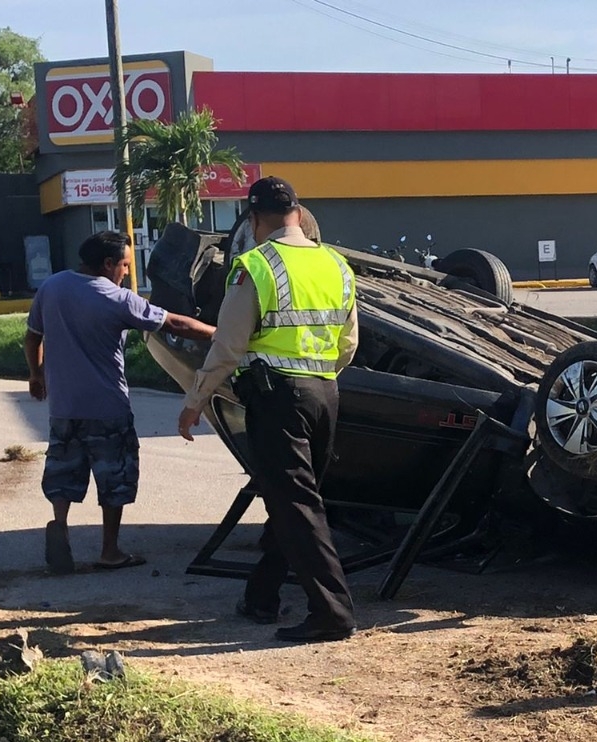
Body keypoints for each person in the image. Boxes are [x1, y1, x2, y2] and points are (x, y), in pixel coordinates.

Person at [177, 176, 359, 644]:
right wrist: (317, 372)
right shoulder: (337, 265)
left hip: (279, 398)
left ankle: (332, 613)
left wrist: (196, 400)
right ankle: (261, 595)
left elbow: (228, 344)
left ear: (255, 220)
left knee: (297, 505)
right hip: (325, 393)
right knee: (295, 502)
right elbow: (349, 344)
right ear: (298, 213)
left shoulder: (255, 265)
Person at [24, 230, 214, 575]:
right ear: (108, 263)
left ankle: (60, 524)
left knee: (64, 471)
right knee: (115, 480)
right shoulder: (117, 298)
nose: (126, 272)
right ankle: (109, 551)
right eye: (125, 265)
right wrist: (224, 333)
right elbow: (174, 323)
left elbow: (33, 336)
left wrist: (37, 376)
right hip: (107, 407)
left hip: (64, 408)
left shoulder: (52, 287)